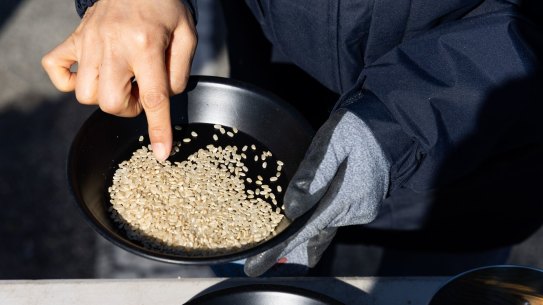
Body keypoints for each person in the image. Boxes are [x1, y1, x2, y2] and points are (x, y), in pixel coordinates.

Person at [42, 0, 543, 277]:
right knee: (268, 276)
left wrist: (398, 125)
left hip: (476, 139)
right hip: (275, 100)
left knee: (439, 286)